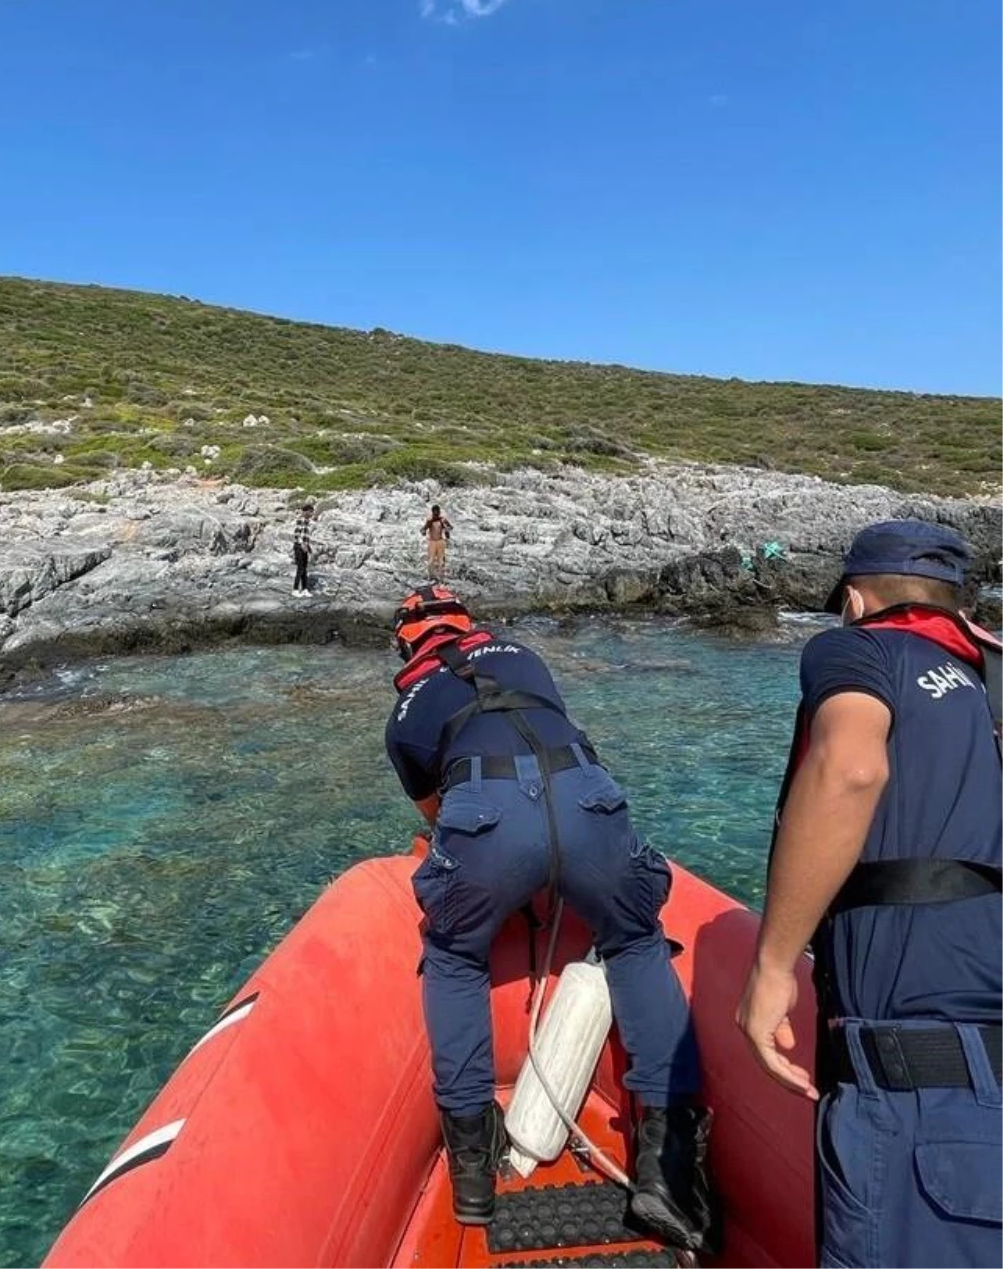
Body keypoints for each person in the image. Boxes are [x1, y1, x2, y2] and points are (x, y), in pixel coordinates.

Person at [384, 585, 718, 1248]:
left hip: (486, 811)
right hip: (584, 795)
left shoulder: (404, 717)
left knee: (453, 957)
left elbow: (435, 816)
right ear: (470, 626)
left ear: (405, 643)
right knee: (634, 941)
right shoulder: (524, 656)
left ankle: (474, 1175)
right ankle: (669, 1167)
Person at [737, 520, 1003, 1268]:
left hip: (918, 1078)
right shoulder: (994, 675)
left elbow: (850, 768)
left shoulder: (856, 648)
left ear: (854, 601)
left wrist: (773, 965)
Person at [422, 504, 452, 580]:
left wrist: (447, 530)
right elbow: (423, 529)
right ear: (432, 513)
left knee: (441, 560)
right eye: (434, 513)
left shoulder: (442, 520)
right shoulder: (430, 521)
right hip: (432, 541)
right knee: (431, 561)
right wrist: (424, 532)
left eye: (437, 513)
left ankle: (442, 576)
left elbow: (450, 527)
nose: (436, 514)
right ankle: (431, 576)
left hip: (440, 541)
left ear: (439, 512)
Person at [292, 503, 314, 597]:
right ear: (306, 511)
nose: (311, 514)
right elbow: (297, 534)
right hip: (299, 547)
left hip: (304, 547)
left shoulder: (307, 521)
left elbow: (305, 536)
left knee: (304, 568)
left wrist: (308, 547)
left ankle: (305, 589)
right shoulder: (300, 520)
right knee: (300, 568)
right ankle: (295, 589)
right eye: (310, 512)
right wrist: (302, 544)